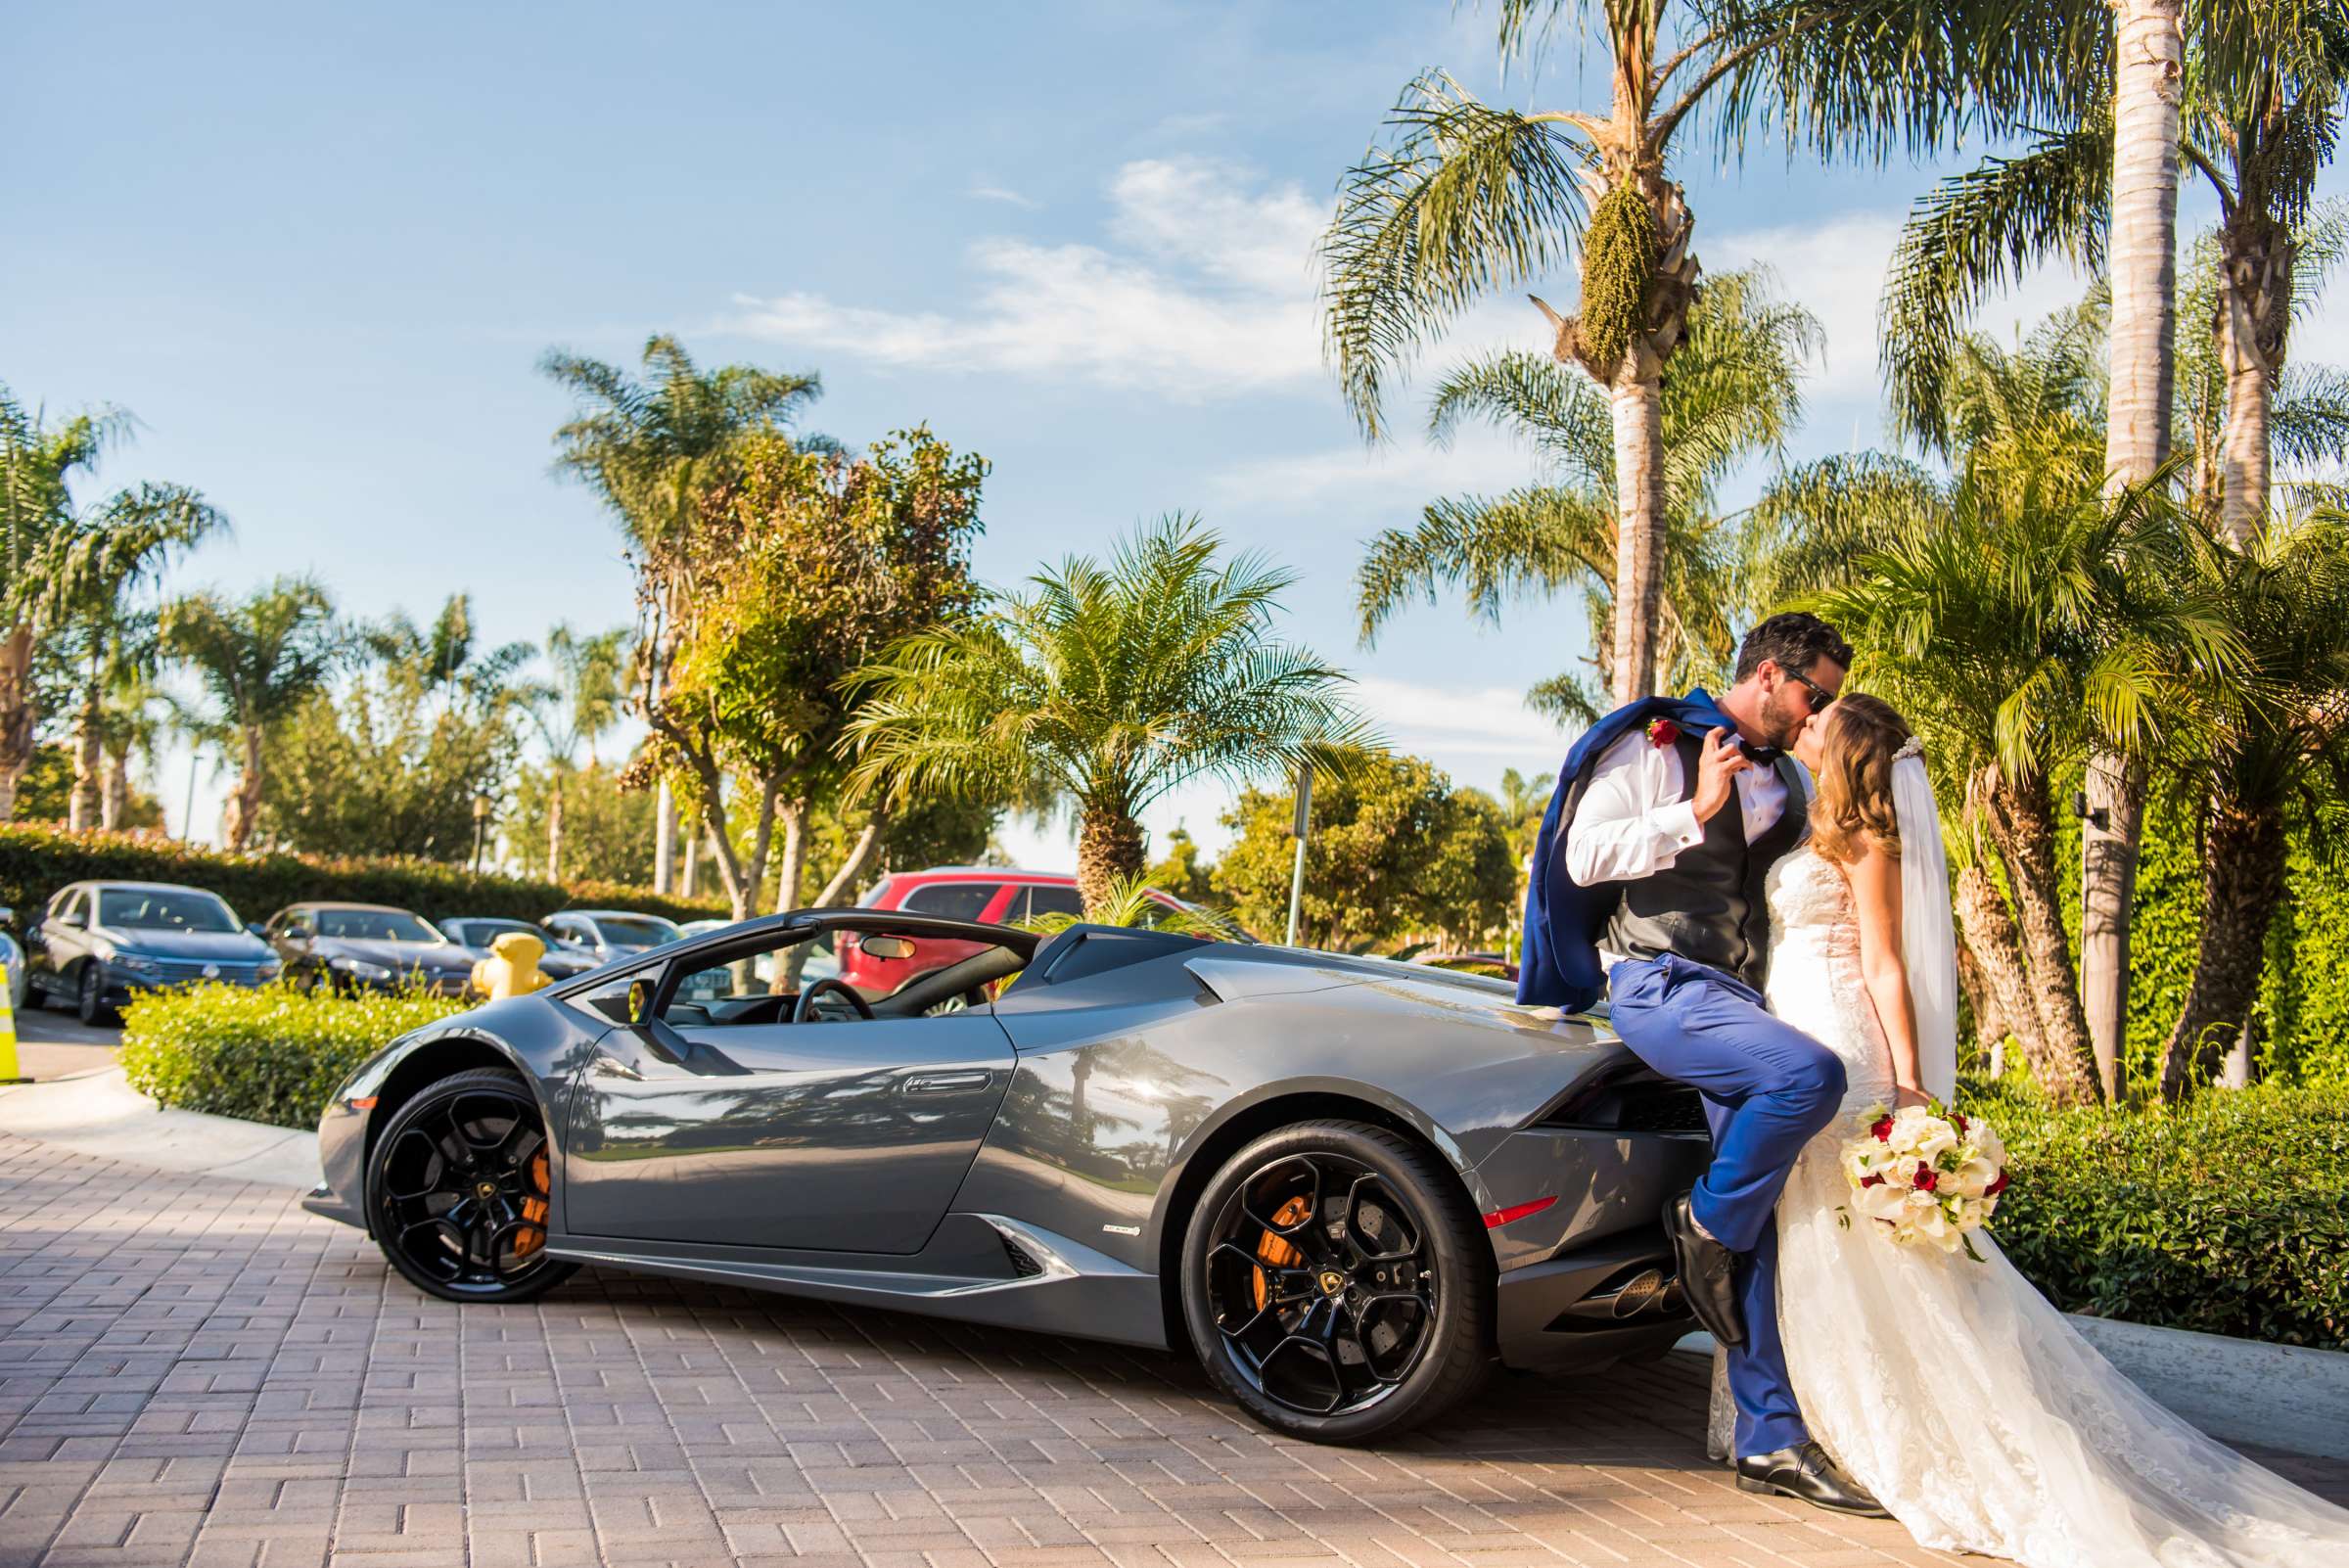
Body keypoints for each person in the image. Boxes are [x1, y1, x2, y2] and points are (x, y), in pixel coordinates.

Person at [1765, 693, 2349, 1564]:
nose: (1806, 723)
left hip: (1844, 1047)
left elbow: (1887, 963)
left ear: (1844, 748)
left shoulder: (1868, 844)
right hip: (1793, 1029)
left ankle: (1916, 1429)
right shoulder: (1813, 829)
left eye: (1822, 719)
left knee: (1871, 1245)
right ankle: (1823, 1413)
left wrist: (1913, 1084)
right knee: (1817, 1236)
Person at [1517, 611, 1883, 1515]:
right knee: (1808, 1079)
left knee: (1757, 1221)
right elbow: (1582, 851)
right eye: (1814, 694)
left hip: (1737, 997)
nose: (1818, 714)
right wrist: (1694, 811)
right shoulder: (1658, 742)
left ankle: (1771, 1443)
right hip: (1656, 983)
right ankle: (1703, 1225)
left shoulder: (1789, 781)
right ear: (1766, 675)